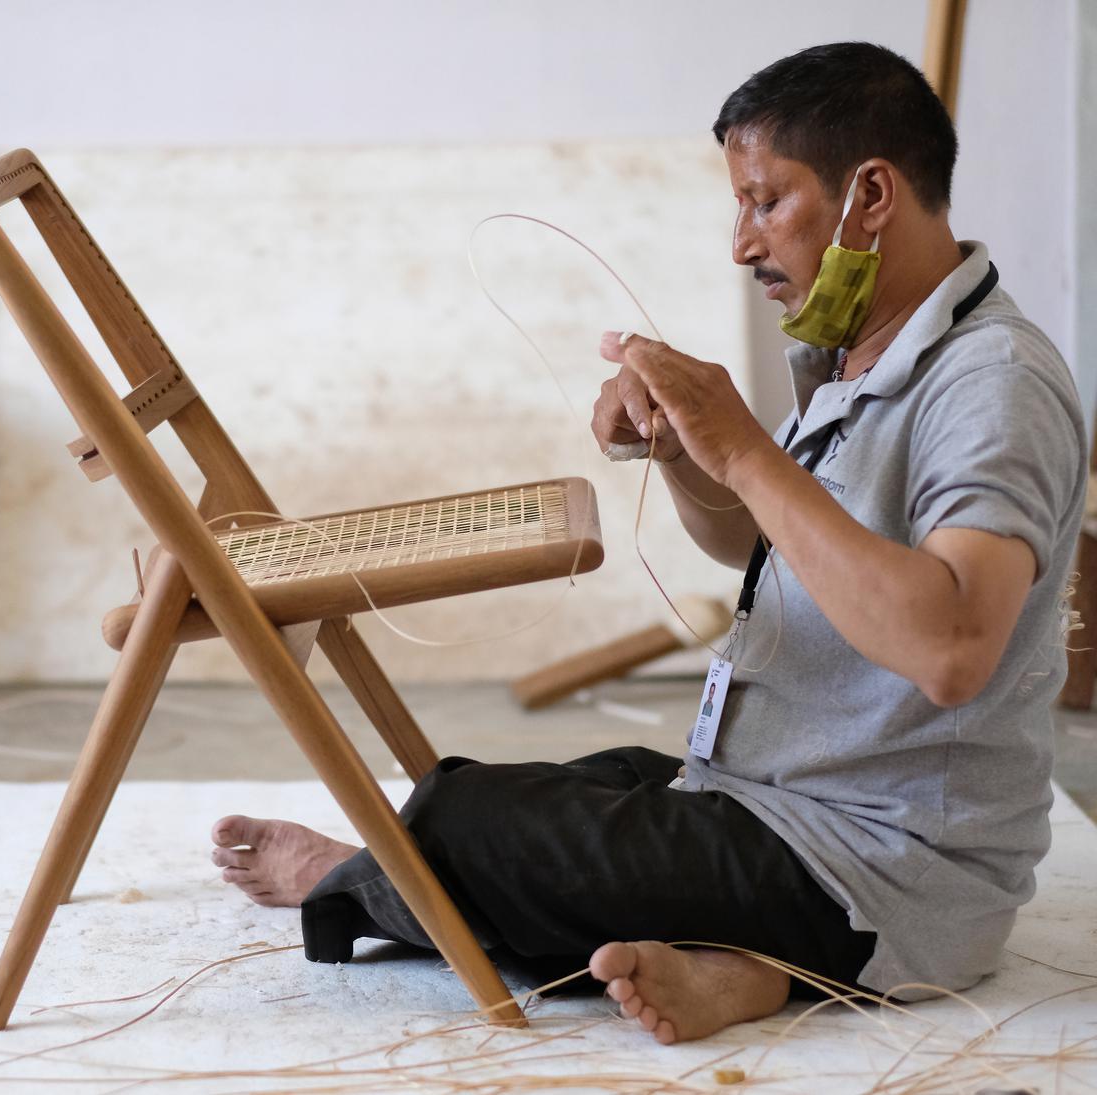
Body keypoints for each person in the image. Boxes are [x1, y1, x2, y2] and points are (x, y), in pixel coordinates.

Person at [209, 42, 1086, 1045]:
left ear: (871, 194)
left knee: (468, 822)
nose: (740, 242)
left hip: (883, 865)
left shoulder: (993, 383)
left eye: (765, 202)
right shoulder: (861, 353)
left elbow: (953, 646)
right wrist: (683, 451)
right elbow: (757, 547)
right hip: (774, 801)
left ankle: (352, 880)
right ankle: (749, 970)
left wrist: (748, 449)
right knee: (593, 777)